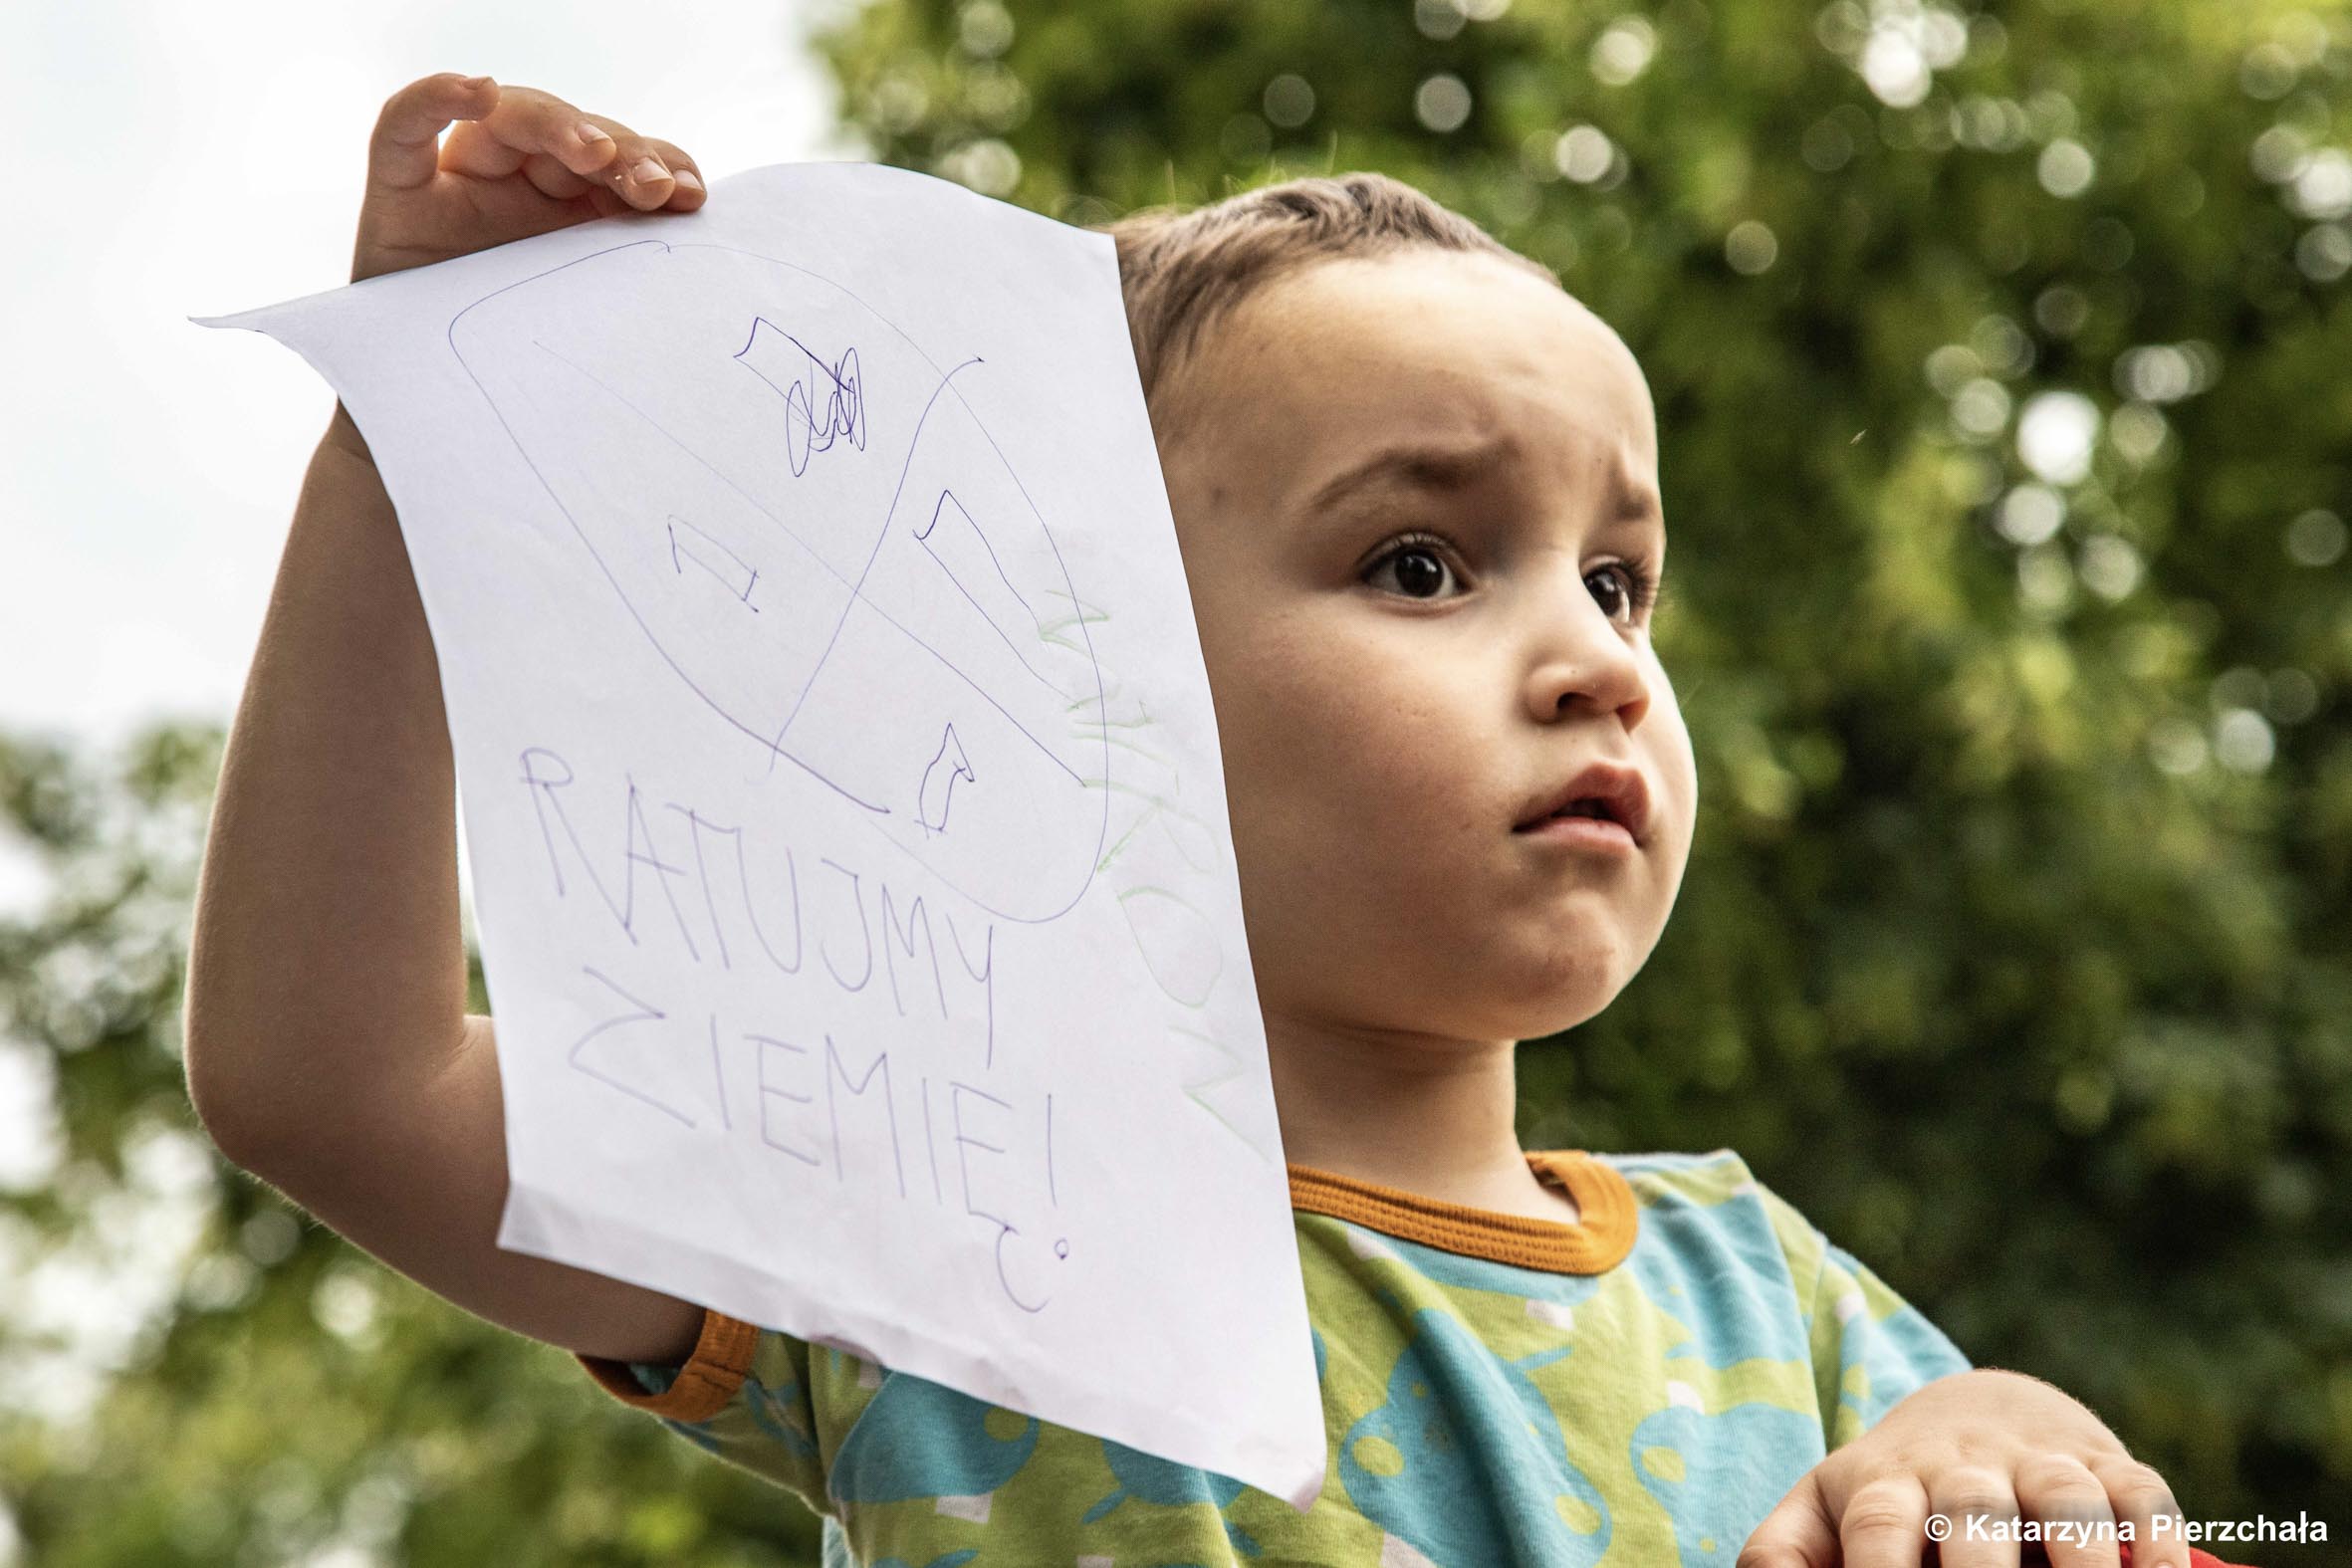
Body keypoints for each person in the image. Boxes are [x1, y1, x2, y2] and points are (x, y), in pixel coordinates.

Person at [184, 72, 2237, 1568]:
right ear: (1065, 684)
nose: (1595, 659)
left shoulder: (1762, 1287)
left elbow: (2033, 1485)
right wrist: (409, 430)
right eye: (1423, 564)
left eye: (1615, 580)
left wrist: (1999, 1426)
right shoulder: (931, 1220)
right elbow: (326, 1079)